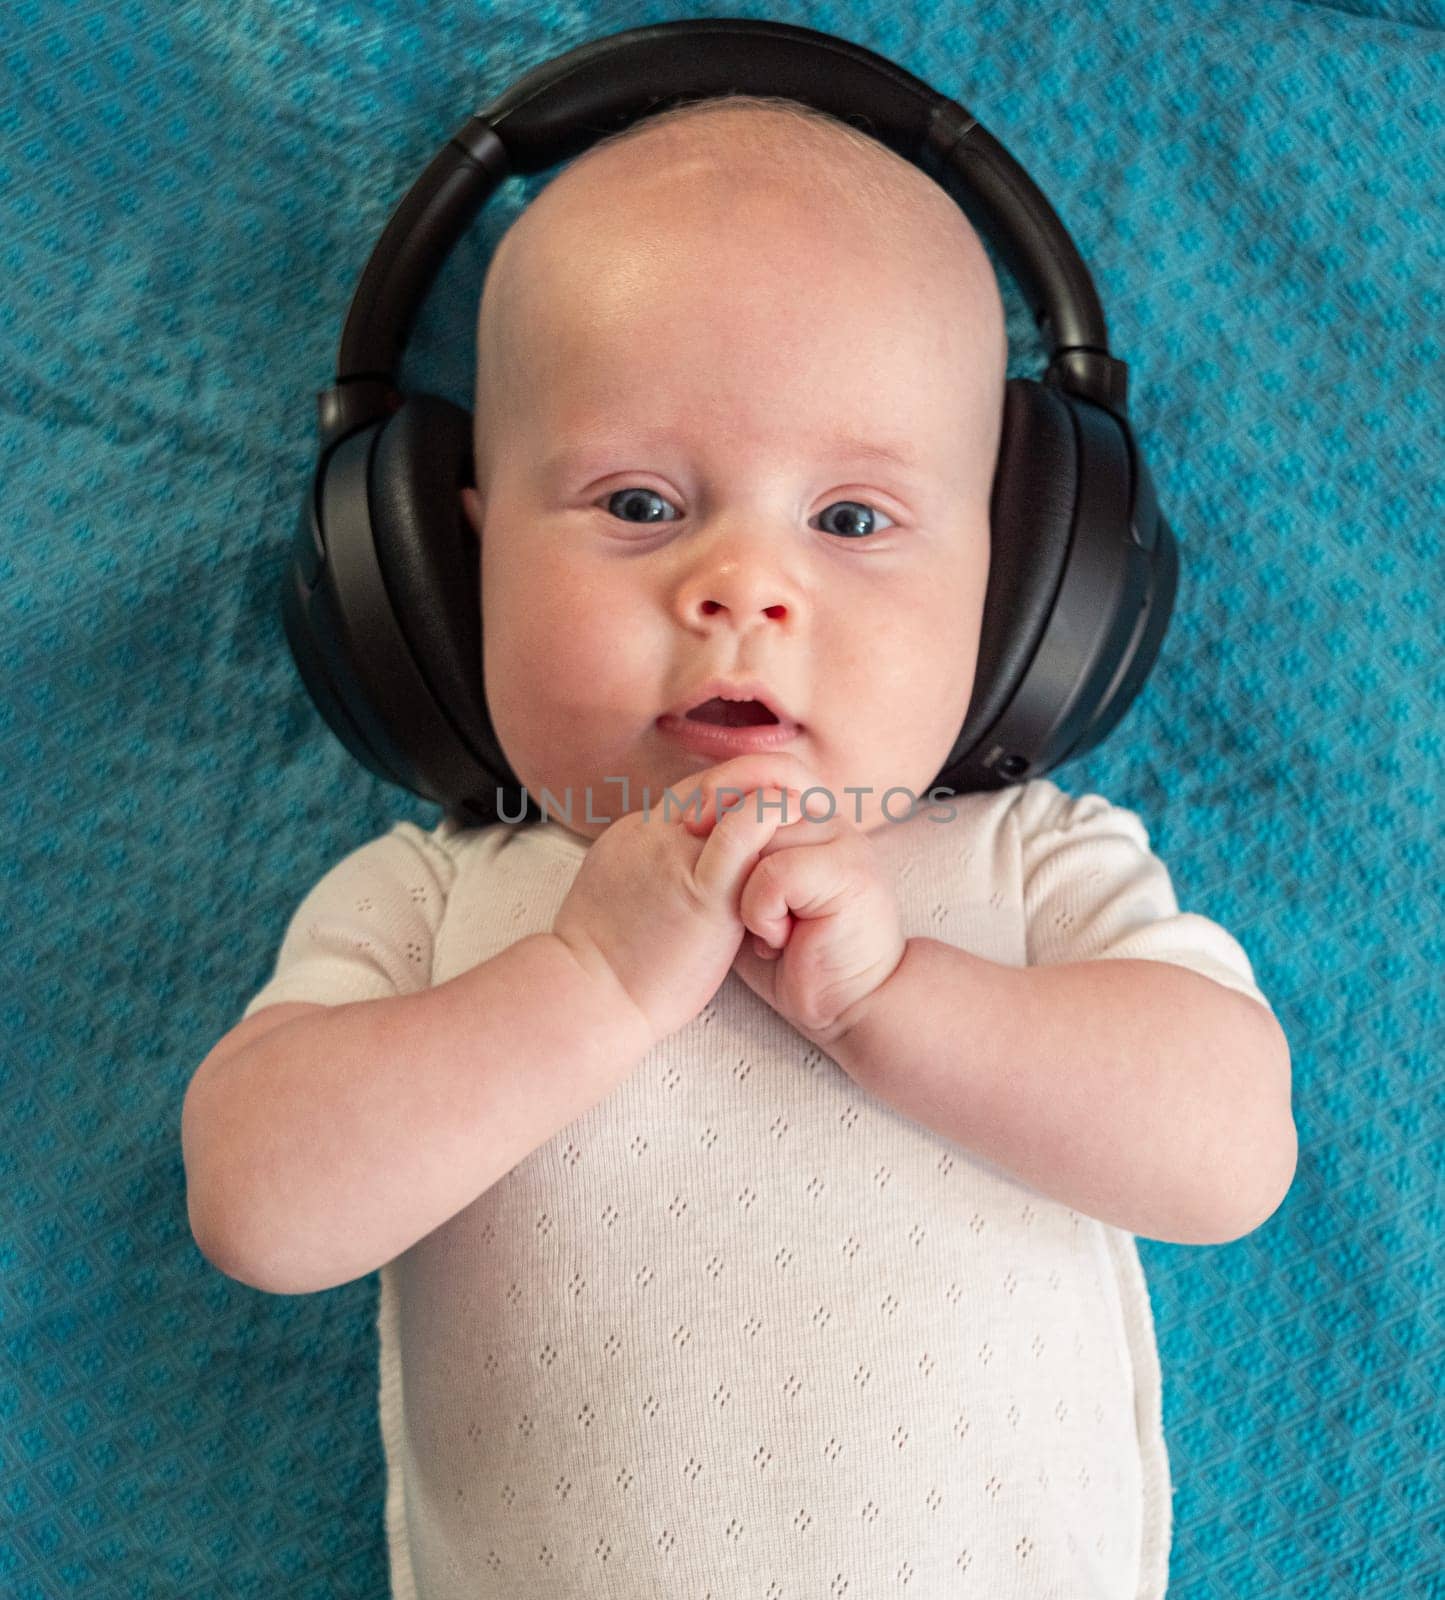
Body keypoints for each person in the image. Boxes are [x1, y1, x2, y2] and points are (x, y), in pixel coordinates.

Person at [180, 95, 1296, 1599]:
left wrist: (889, 997)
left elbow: (1227, 1158)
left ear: (1027, 582)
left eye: (850, 517)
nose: (741, 586)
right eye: (638, 503)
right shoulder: (437, 898)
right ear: (454, 569)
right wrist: (586, 977)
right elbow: (261, 1209)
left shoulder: (1029, 863)